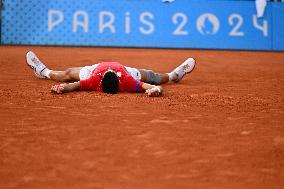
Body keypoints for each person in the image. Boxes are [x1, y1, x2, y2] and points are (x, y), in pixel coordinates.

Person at [26, 51, 195, 97]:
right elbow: (149, 86)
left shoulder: (93, 80)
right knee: (153, 77)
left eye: (110, 71)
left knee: (68, 74)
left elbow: (75, 86)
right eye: (110, 71)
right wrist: (156, 89)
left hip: (92, 69)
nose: (110, 68)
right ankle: (173, 76)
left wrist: (63, 88)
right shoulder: (127, 81)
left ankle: (44, 72)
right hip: (127, 70)